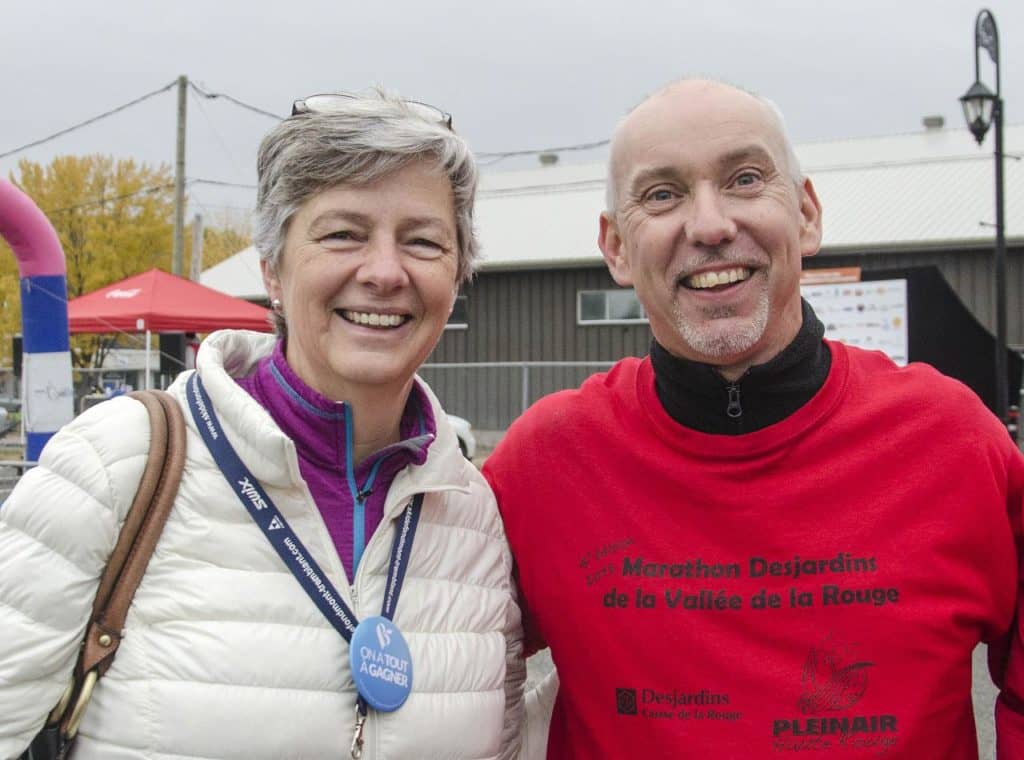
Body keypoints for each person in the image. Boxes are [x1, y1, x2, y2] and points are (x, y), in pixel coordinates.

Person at [483, 78, 1024, 758]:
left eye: (744, 179)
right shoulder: (546, 462)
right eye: (662, 195)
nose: (709, 226)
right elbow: (427, 653)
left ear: (805, 214)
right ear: (616, 246)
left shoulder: (952, 441)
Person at [0, 90, 526, 759]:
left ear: (457, 276)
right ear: (273, 268)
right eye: (343, 234)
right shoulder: (119, 465)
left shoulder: (471, 515)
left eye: (423, 242)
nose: (386, 272)